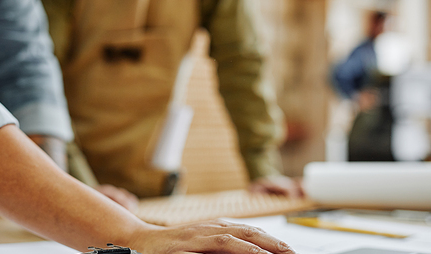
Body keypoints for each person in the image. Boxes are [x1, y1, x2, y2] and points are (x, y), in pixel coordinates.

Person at [0, 0, 307, 254]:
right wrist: (125, 230)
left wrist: (262, 165)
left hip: (129, 182)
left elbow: (22, 71)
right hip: (36, 177)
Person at [41, 0, 303, 200]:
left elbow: (242, 65)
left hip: (151, 185)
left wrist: (263, 168)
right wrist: (77, 187)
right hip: (56, 178)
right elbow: (37, 82)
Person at [332, 11, 394, 161]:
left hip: (384, 123)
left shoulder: (377, 49)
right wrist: (356, 96)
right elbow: (340, 74)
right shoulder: (362, 51)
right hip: (369, 124)